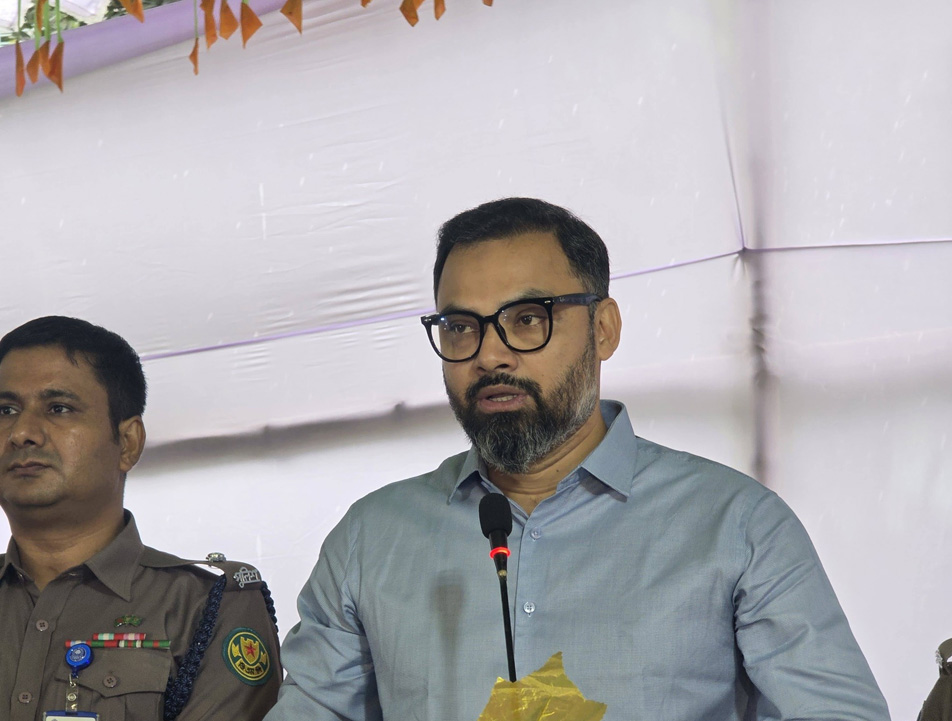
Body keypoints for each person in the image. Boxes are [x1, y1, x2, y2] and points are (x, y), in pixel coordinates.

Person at [265, 198, 890, 721]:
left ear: (603, 329)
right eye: (460, 326)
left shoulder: (736, 525)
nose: (490, 355)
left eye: (527, 319)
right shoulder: (371, 540)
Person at [0, 316, 280, 721]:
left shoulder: (207, 608)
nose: (22, 432)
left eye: (59, 408)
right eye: (5, 409)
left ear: (128, 442)